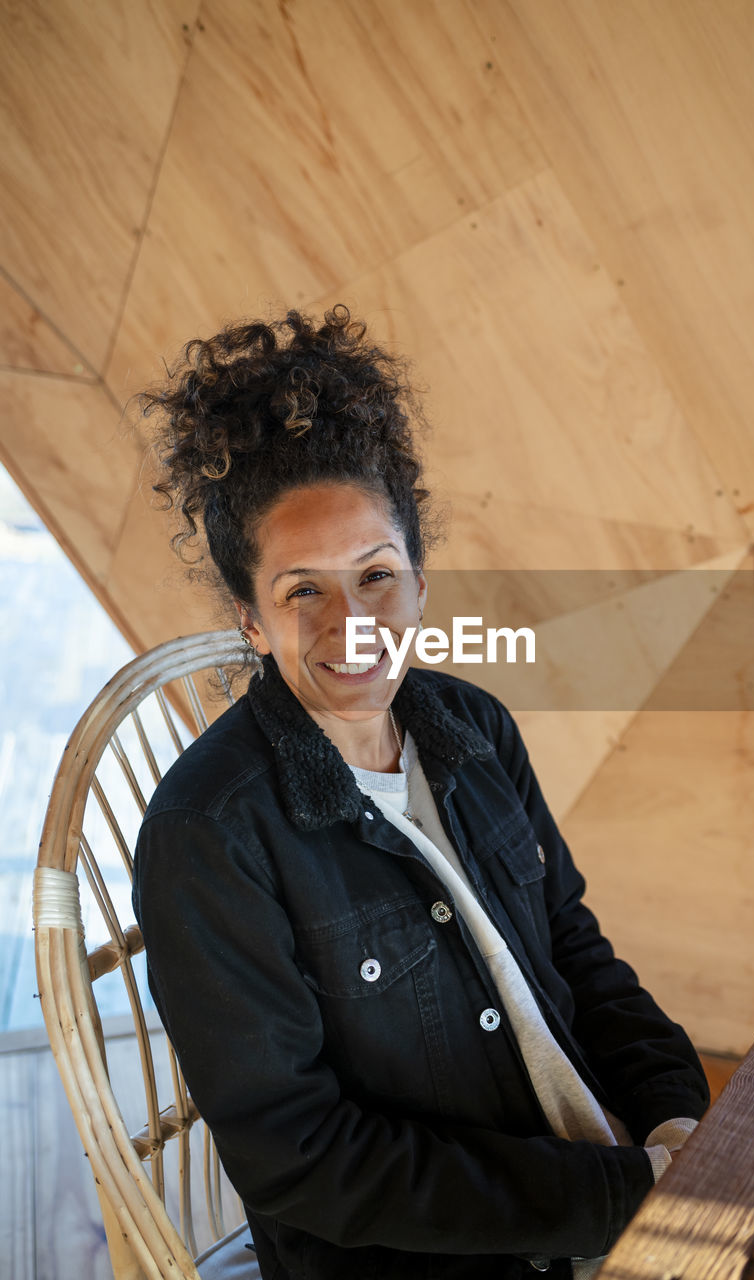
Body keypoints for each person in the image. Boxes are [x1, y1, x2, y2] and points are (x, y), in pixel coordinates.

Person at [132, 305, 709, 1280]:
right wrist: (621, 1196)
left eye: (375, 575)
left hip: (612, 1184)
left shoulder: (474, 727)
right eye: (303, 589)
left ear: (423, 579)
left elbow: (576, 951)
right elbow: (303, 1155)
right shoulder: (209, 836)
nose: (354, 626)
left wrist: (676, 1116)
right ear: (249, 617)